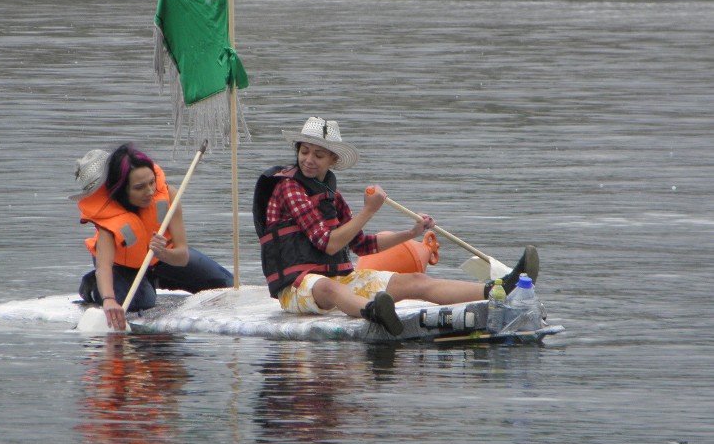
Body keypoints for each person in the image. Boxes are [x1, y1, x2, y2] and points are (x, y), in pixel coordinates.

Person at [253, 116, 539, 336]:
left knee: (416, 281)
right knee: (328, 287)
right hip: (296, 288)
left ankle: (499, 289)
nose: (308, 160)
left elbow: (361, 244)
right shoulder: (289, 188)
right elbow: (328, 244)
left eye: (318, 154)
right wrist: (368, 211)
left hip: (338, 281)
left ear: (333, 160)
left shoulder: (331, 195)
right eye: (304, 151)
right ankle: (373, 312)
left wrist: (412, 233)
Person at [71, 143, 233, 330]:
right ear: (122, 190)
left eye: (151, 182)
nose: (149, 192)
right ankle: (93, 285)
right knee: (142, 300)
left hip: (162, 259)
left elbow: (182, 257)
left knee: (225, 284)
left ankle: (153, 279)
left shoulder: (169, 196)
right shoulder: (110, 218)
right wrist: (108, 299)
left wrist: (163, 253)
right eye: (139, 187)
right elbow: (104, 265)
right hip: (122, 266)